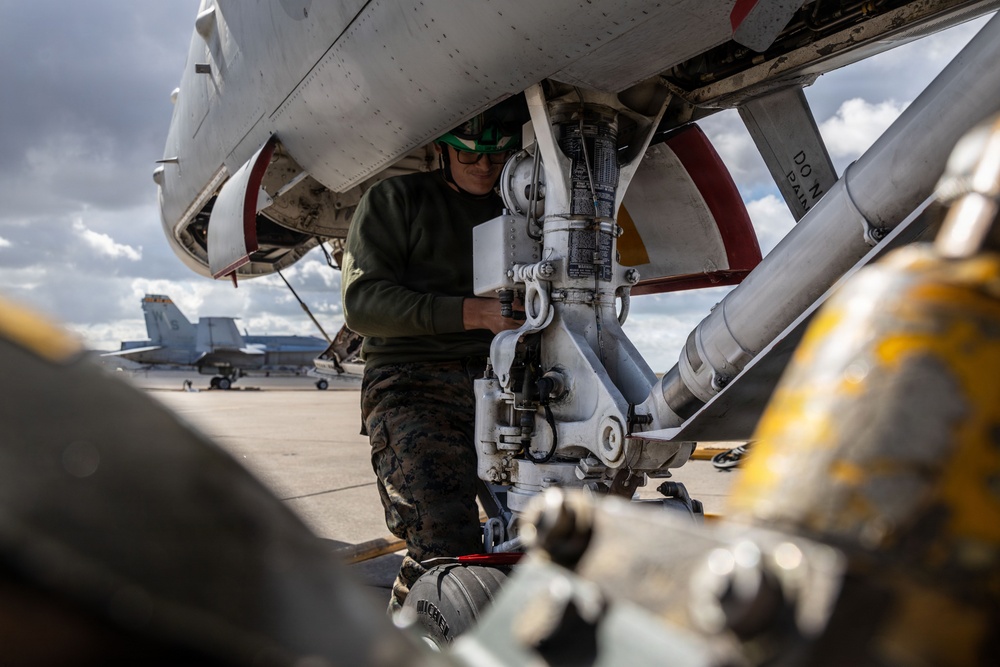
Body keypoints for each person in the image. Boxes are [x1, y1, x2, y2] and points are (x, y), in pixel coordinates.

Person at [340, 111, 521, 612]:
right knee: (443, 546)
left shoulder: (523, 208)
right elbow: (363, 304)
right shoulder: (397, 200)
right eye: (469, 154)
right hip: (414, 384)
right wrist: (476, 313)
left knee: (545, 534)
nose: (483, 167)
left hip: (510, 384)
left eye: (496, 155)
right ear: (442, 150)